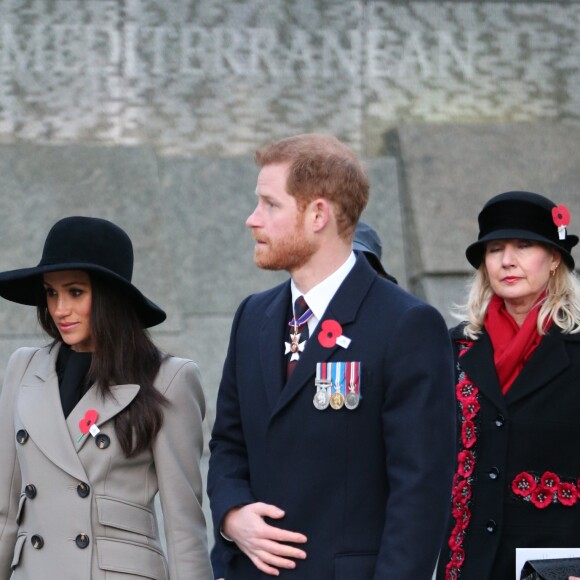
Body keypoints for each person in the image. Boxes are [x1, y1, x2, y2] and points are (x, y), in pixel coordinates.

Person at [208, 133, 456, 579]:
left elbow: (419, 492)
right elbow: (228, 443)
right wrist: (232, 515)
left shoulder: (406, 325)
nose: (252, 219)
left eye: (270, 204)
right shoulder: (253, 317)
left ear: (318, 213)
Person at [0, 216, 213, 580]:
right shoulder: (23, 368)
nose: (59, 309)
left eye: (75, 292)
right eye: (51, 292)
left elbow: (183, 528)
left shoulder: (168, 379)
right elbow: (4, 511)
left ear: (109, 298)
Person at [436, 191, 580, 580]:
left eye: (524, 245)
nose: (507, 260)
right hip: (465, 566)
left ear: (554, 259)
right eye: (495, 248)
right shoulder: (451, 348)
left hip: (556, 567)